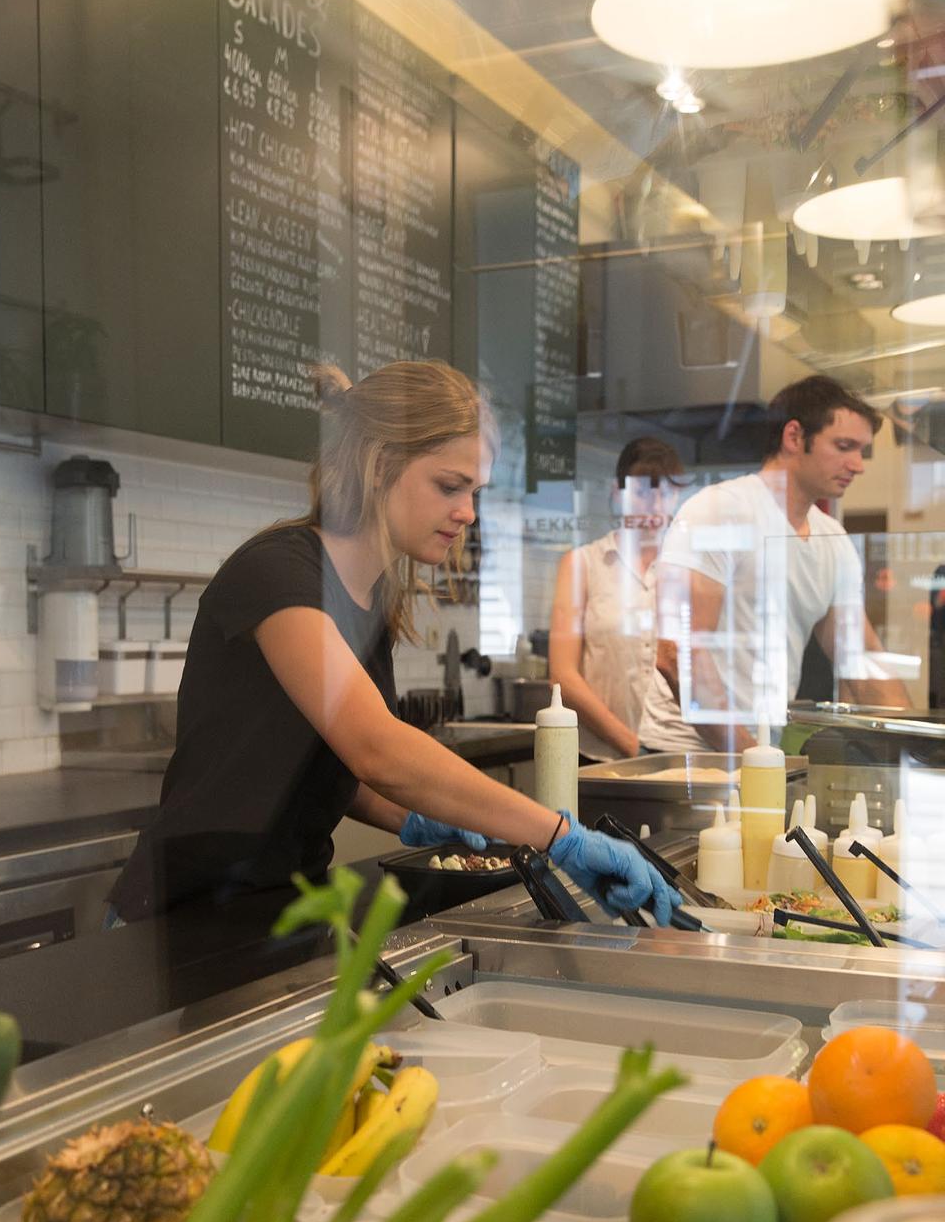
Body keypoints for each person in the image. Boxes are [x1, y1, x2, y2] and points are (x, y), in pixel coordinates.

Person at [108, 360, 678, 932]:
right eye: (450, 486)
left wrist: (412, 818)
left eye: (474, 491)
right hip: (180, 915)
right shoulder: (278, 576)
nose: (468, 512)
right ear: (380, 466)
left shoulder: (371, 596)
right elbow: (374, 747)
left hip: (281, 906)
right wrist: (560, 837)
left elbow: (317, 764)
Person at [638, 375, 910, 755]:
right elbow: (678, 653)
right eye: (844, 446)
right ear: (794, 437)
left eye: (861, 451)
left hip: (761, 751)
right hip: (684, 754)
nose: (857, 464)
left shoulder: (834, 539)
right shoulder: (719, 511)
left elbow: (862, 662)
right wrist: (754, 758)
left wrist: (918, 749)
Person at [548, 437, 688, 761]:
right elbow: (562, 675)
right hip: (599, 758)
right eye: (642, 492)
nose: (653, 507)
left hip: (679, 754)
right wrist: (631, 745)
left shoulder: (691, 571)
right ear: (617, 493)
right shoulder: (582, 564)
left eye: (664, 493)